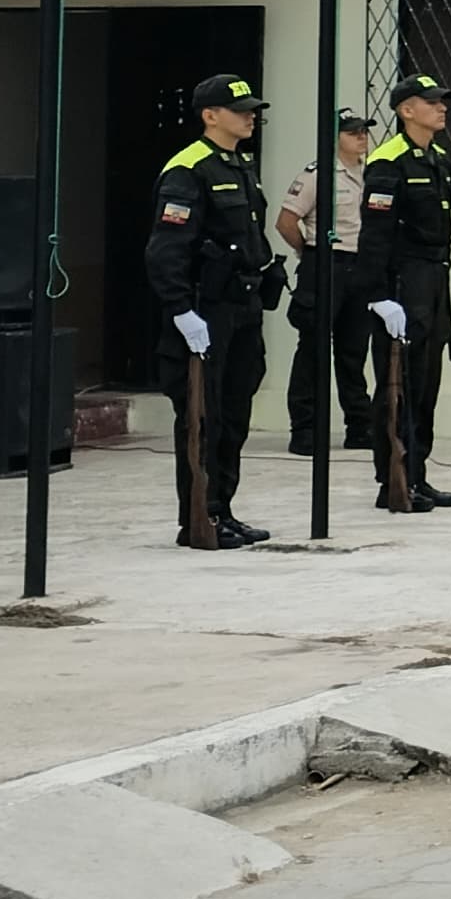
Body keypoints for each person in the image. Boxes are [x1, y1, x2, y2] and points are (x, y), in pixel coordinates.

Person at [143, 73, 284, 550]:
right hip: (206, 310)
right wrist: (181, 309)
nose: (250, 117)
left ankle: (223, 509)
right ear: (210, 116)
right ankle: (199, 516)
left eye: (252, 111)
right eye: (240, 110)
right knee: (204, 418)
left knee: (235, 413)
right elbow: (166, 250)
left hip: (242, 306)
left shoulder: (239, 164)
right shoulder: (189, 169)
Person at [354, 74, 451, 510]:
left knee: (426, 385)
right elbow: (374, 236)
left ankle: (417, 473)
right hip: (402, 282)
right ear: (406, 110)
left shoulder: (439, 159)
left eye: (442, 102)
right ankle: (393, 478)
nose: (442, 108)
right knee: (398, 386)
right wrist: (379, 295)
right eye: (431, 102)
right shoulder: (388, 161)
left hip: (434, 279)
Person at [275, 107, 377, 460]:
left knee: (354, 350)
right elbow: (286, 222)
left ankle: (359, 426)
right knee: (313, 349)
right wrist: (309, 253)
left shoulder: (372, 173)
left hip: (360, 266)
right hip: (325, 263)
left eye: (364, 130)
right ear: (333, 138)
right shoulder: (318, 174)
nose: (361, 137)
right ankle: (304, 429)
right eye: (352, 132)